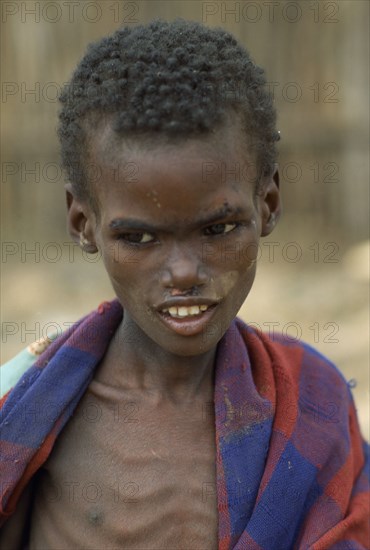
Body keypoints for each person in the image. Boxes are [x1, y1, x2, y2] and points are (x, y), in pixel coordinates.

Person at [0, 19, 368, 550]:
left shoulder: (312, 405)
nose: (184, 273)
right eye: (140, 237)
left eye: (218, 229)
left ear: (267, 205)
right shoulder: (32, 412)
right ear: (83, 224)